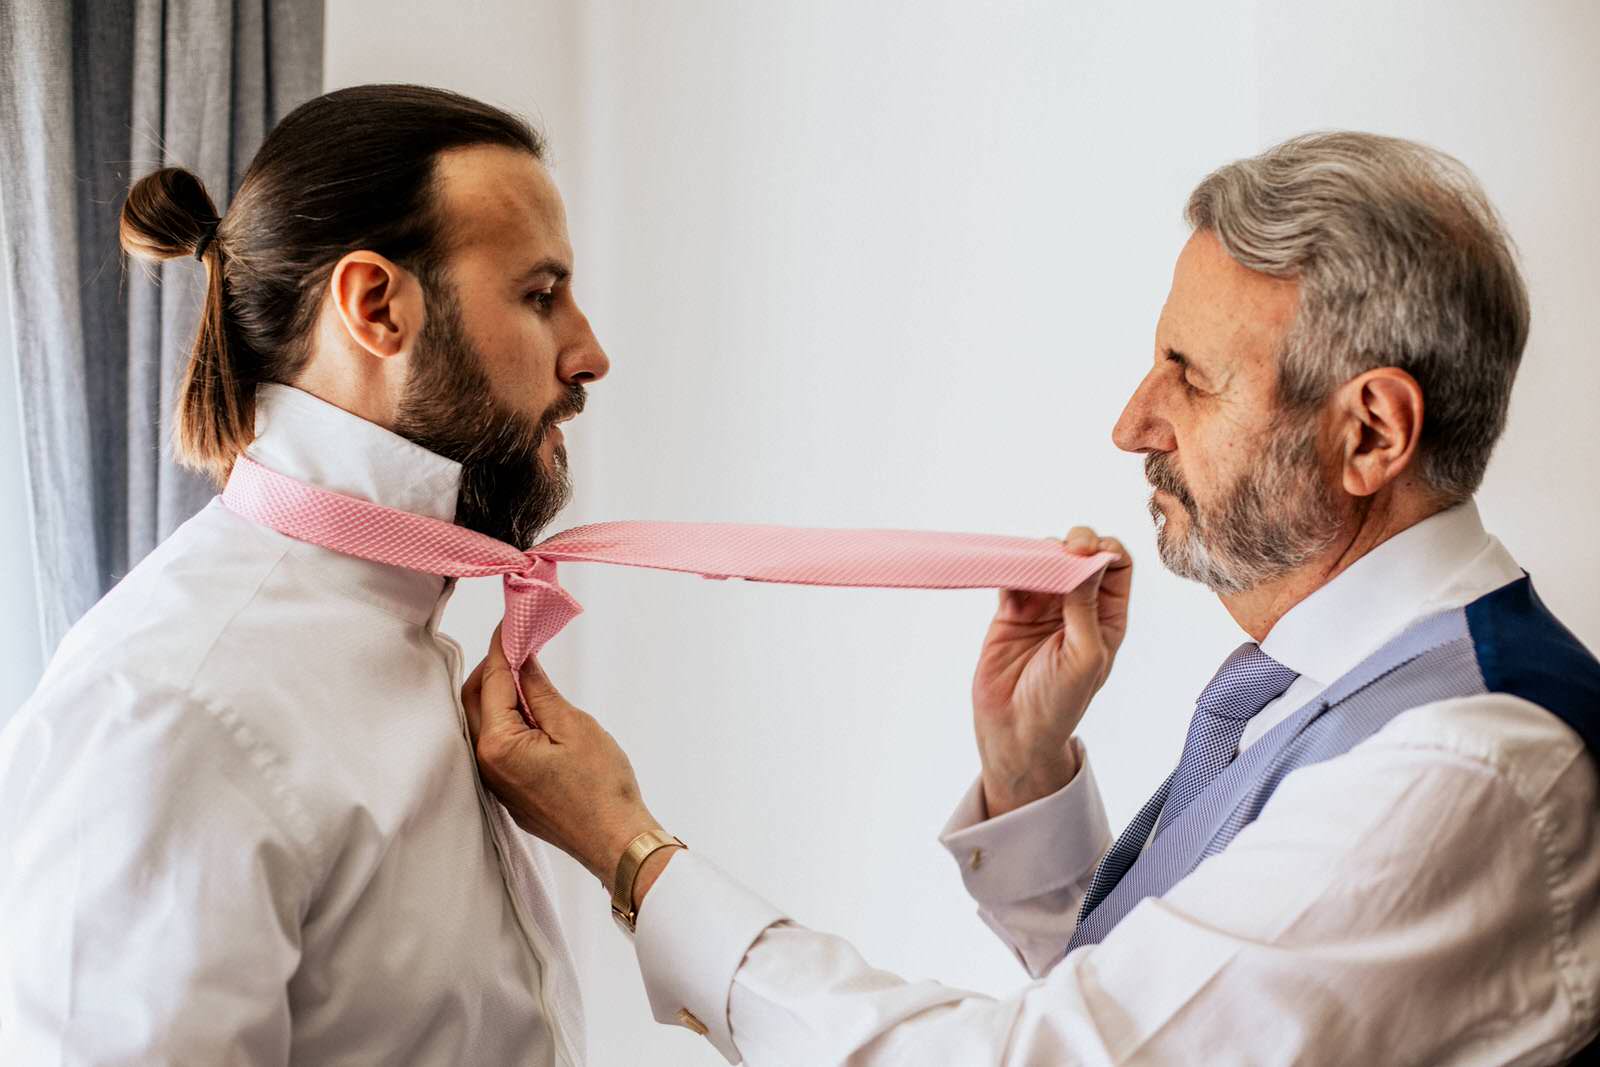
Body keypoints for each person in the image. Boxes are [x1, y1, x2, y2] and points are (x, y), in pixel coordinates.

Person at [464, 132, 1600, 1064]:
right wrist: (1028, 771)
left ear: (1369, 432)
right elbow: (1216, 1016)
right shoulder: (1357, 693)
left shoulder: (1464, 765)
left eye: (1188, 379)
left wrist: (630, 849)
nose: (1131, 423)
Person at [0, 85, 608, 1064]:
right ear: (376, 307)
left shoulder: (398, 636)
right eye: (540, 296)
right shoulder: (175, 707)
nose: (589, 354)